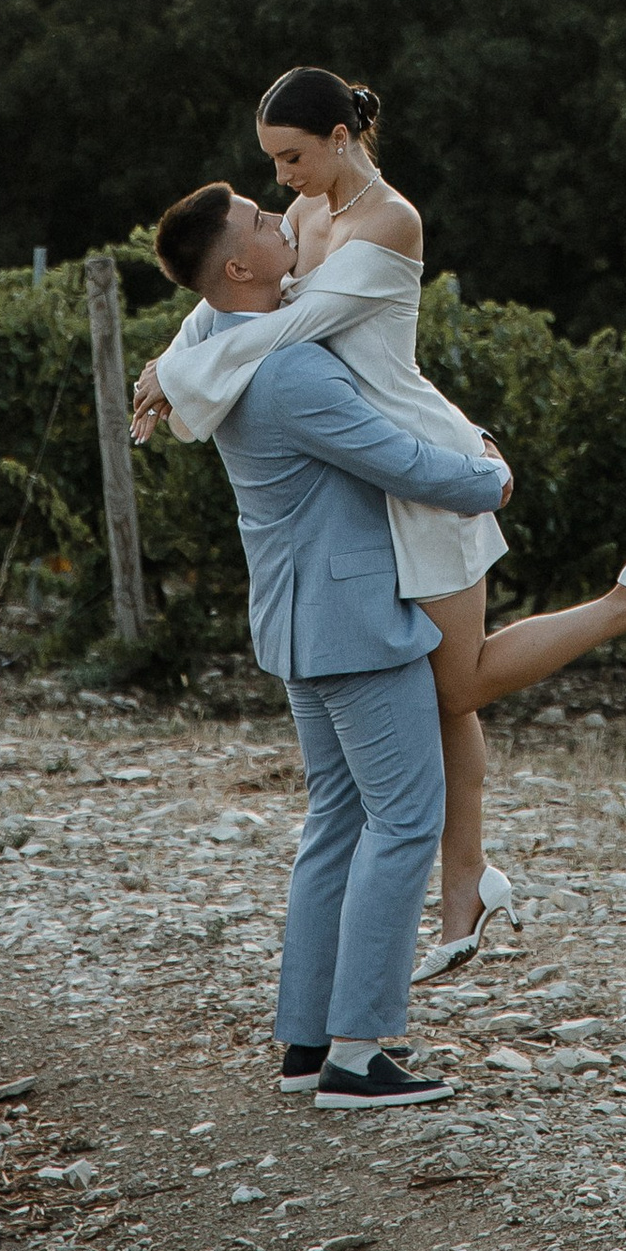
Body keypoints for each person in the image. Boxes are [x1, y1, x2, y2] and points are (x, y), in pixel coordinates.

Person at [137, 66, 626, 977]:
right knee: (441, 694)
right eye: (270, 163)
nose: (281, 180)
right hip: (366, 467)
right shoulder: (295, 220)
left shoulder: (389, 220)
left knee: (457, 688)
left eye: (291, 156)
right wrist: (167, 357)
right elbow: (223, 298)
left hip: (422, 463)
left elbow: (292, 330)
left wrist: (177, 376)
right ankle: (466, 887)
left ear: (339, 136)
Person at [149, 177, 507, 1111]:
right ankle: (359, 1051)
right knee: (404, 821)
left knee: (337, 826)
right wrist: (490, 476)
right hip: (353, 625)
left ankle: (307, 1042)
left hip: (296, 623)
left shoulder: (216, 356)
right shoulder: (292, 372)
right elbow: (401, 461)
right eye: (264, 223)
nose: (284, 219)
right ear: (238, 266)